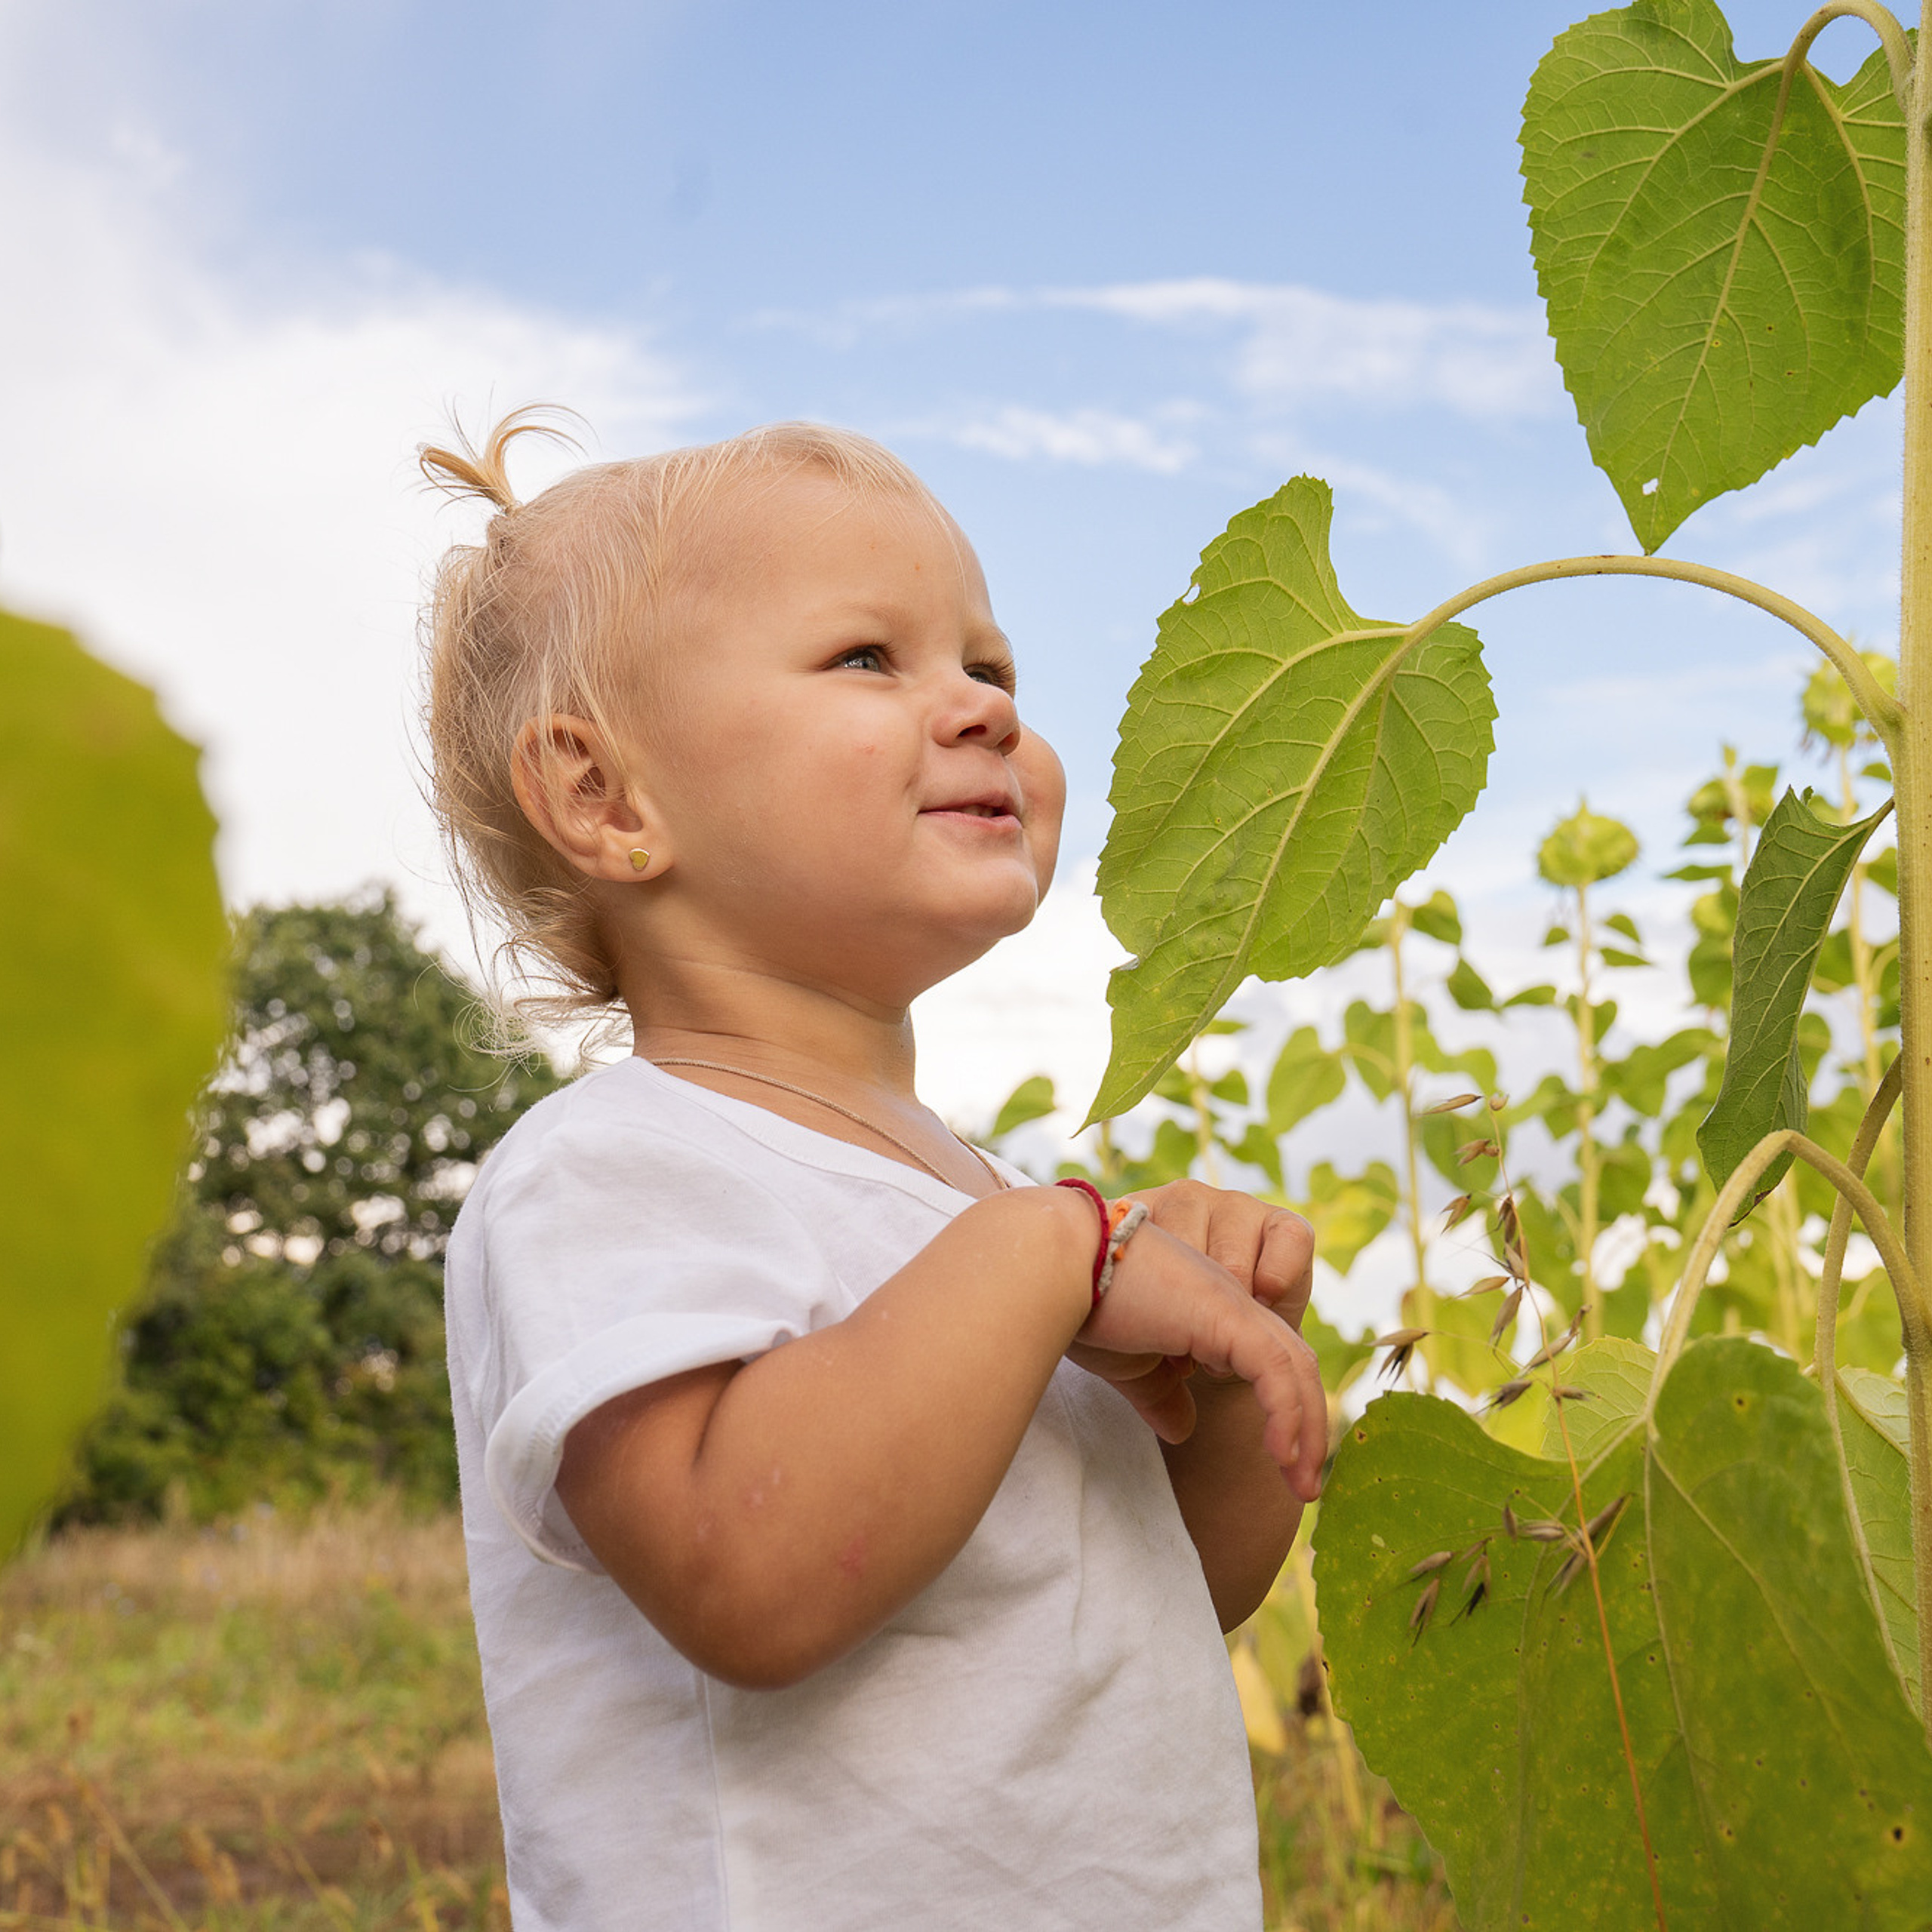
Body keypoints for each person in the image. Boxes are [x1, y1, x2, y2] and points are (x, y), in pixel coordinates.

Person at [423, 410, 1327, 1932]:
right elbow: (750, 1572)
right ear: (605, 797)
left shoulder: (974, 1205)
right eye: (866, 659)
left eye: (988, 665)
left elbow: (1159, 1597)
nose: (974, 706)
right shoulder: (607, 1171)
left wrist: (1223, 1368)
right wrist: (1052, 1255)